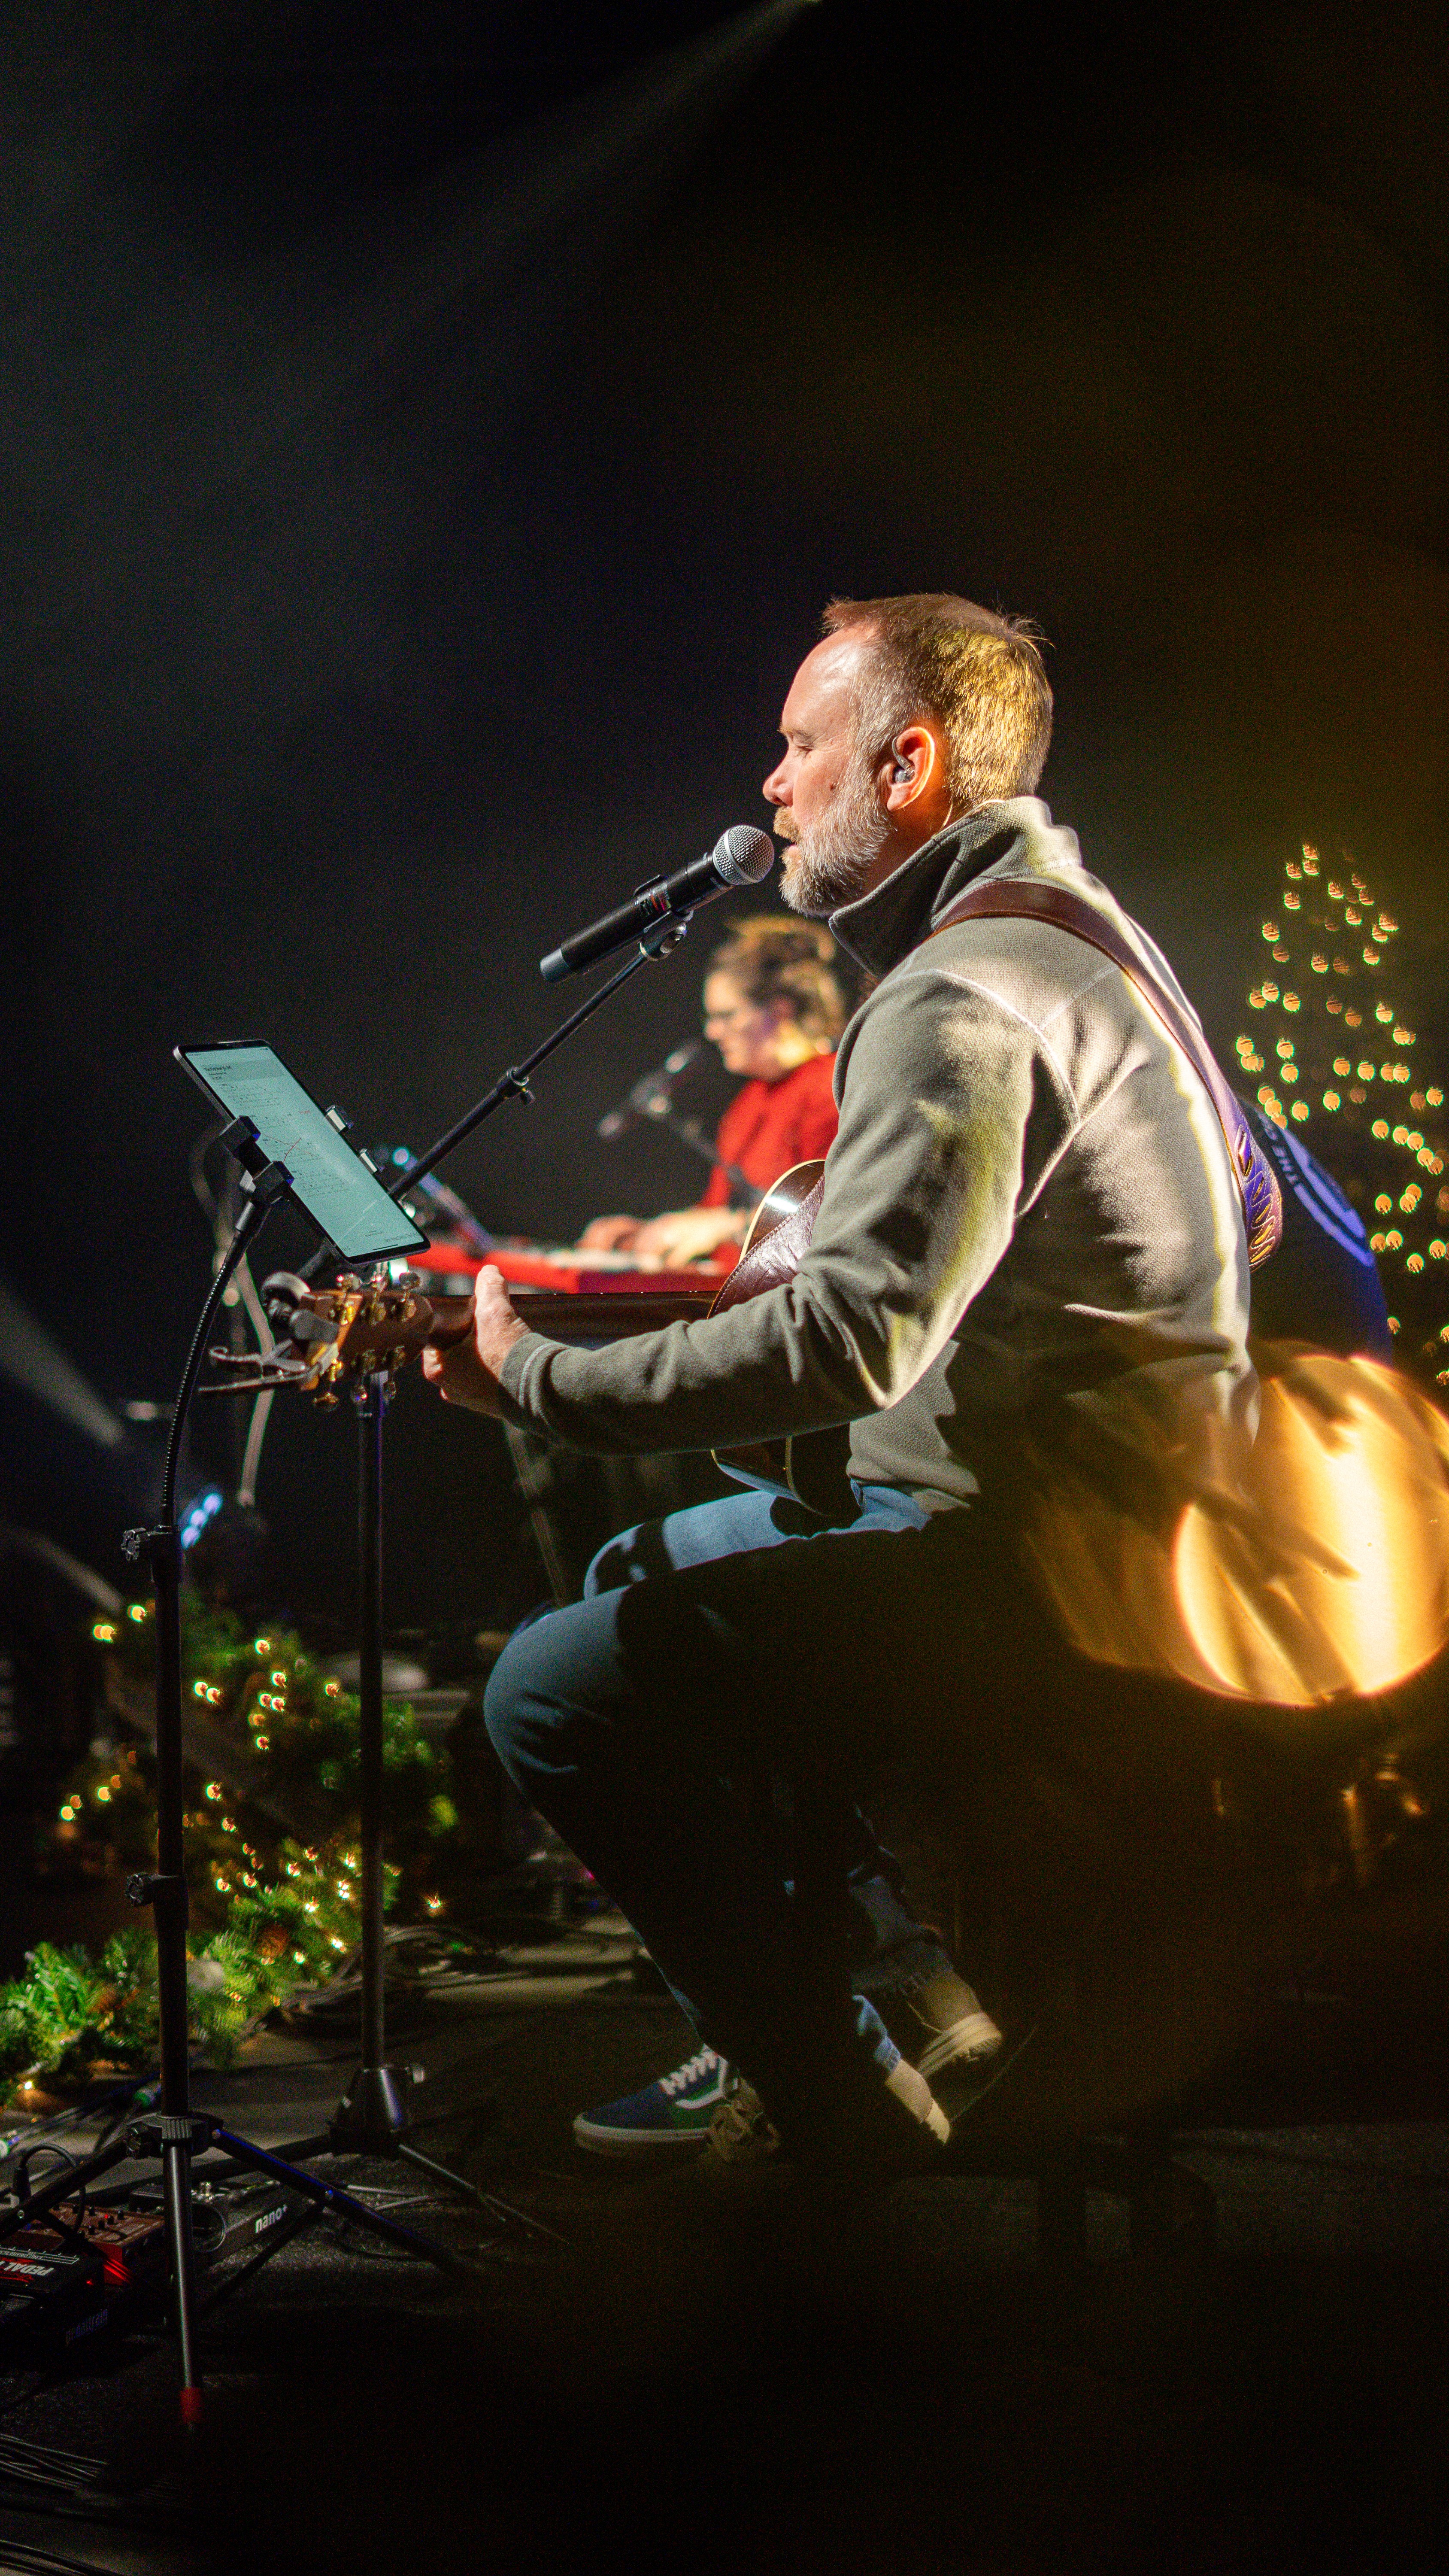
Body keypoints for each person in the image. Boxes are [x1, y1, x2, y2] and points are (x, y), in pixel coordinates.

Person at [423, 592, 1255, 2173]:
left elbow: (847, 1342)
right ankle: (902, 2005)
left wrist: (537, 1378)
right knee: (634, 1565)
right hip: (1132, 1526)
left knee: (543, 1690)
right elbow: (1242, 1207)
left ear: (906, 765)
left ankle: (829, 2102)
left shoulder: (955, 990)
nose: (771, 782)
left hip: (1052, 1568)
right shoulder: (1081, 930)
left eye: (801, 743)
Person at [578, 918, 848, 1271]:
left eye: (727, 1015)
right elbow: (715, 1215)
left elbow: (831, 1219)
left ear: (780, 1011)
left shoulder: (833, 1089)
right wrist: (644, 1235)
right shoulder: (749, 1101)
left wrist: (726, 1226)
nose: (713, 1031)